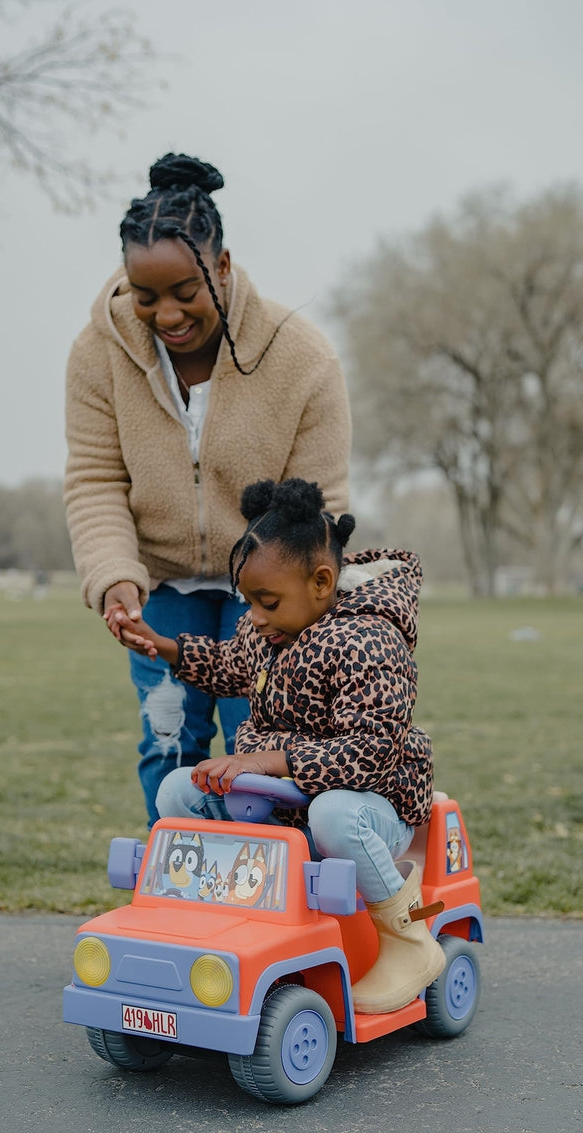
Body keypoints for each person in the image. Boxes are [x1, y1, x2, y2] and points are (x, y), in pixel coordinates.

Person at [64, 153, 352, 828]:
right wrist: (113, 579)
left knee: (260, 753)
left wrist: (292, 610)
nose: (166, 314)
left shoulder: (300, 358)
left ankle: (269, 905)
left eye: (184, 291)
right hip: (161, 588)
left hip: (265, 591)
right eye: (146, 296)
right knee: (169, 749)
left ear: (222, 267)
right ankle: (176, 902)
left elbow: (323, 505)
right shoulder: (97, 355)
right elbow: (95, 477)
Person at [125, 478, 445, 1016]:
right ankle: (217, 910)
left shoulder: (370, 640)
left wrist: (266, 761)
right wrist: (168, 648)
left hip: (373, 810)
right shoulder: (269, 631)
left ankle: (408, 942)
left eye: (266, 602)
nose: (252, 616)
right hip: (283, 803)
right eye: (247, 602)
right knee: (180, 789)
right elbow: (231, 665)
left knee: (334, 812)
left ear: (322, 582)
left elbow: (368, 754)